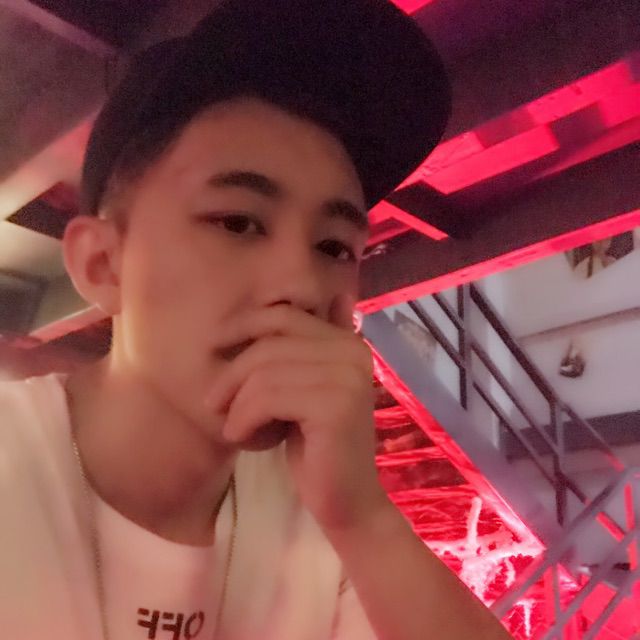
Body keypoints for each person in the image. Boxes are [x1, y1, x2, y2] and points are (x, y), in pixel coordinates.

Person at [0, 1, 513, 638]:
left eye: (334, 248)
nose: (302, 287)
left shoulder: (326, 517)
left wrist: (365, 519)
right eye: (238, 222)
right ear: (103, 264)